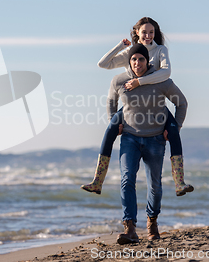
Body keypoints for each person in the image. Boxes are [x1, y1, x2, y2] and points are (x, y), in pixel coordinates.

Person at [81, 17, 193, 197]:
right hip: (131, 103)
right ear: (137, 33)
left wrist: (139, 82)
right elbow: (103, 64)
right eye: (144, 32)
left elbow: (166, 72)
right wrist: (120, 46)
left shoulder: (160, 50)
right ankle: (97, 181)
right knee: (110, 129)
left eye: (151, 32)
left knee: (173, 131)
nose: (148, 36)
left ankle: (179, 182)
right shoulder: (130, 52)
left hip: (155, 104)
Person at [109, 44, 188, 244]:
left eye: (141, 59)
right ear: (129, 61)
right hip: (130, 138)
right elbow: (111, 103)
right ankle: (130, 228)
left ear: (148, 61)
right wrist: (115, 123)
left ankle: (152, 222)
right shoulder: (119, 80)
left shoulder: (162, 81)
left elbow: (182, 103)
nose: (137, 63)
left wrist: (174, 129)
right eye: (133, 59)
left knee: (155, 185)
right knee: (127, 180)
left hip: (155, 139)